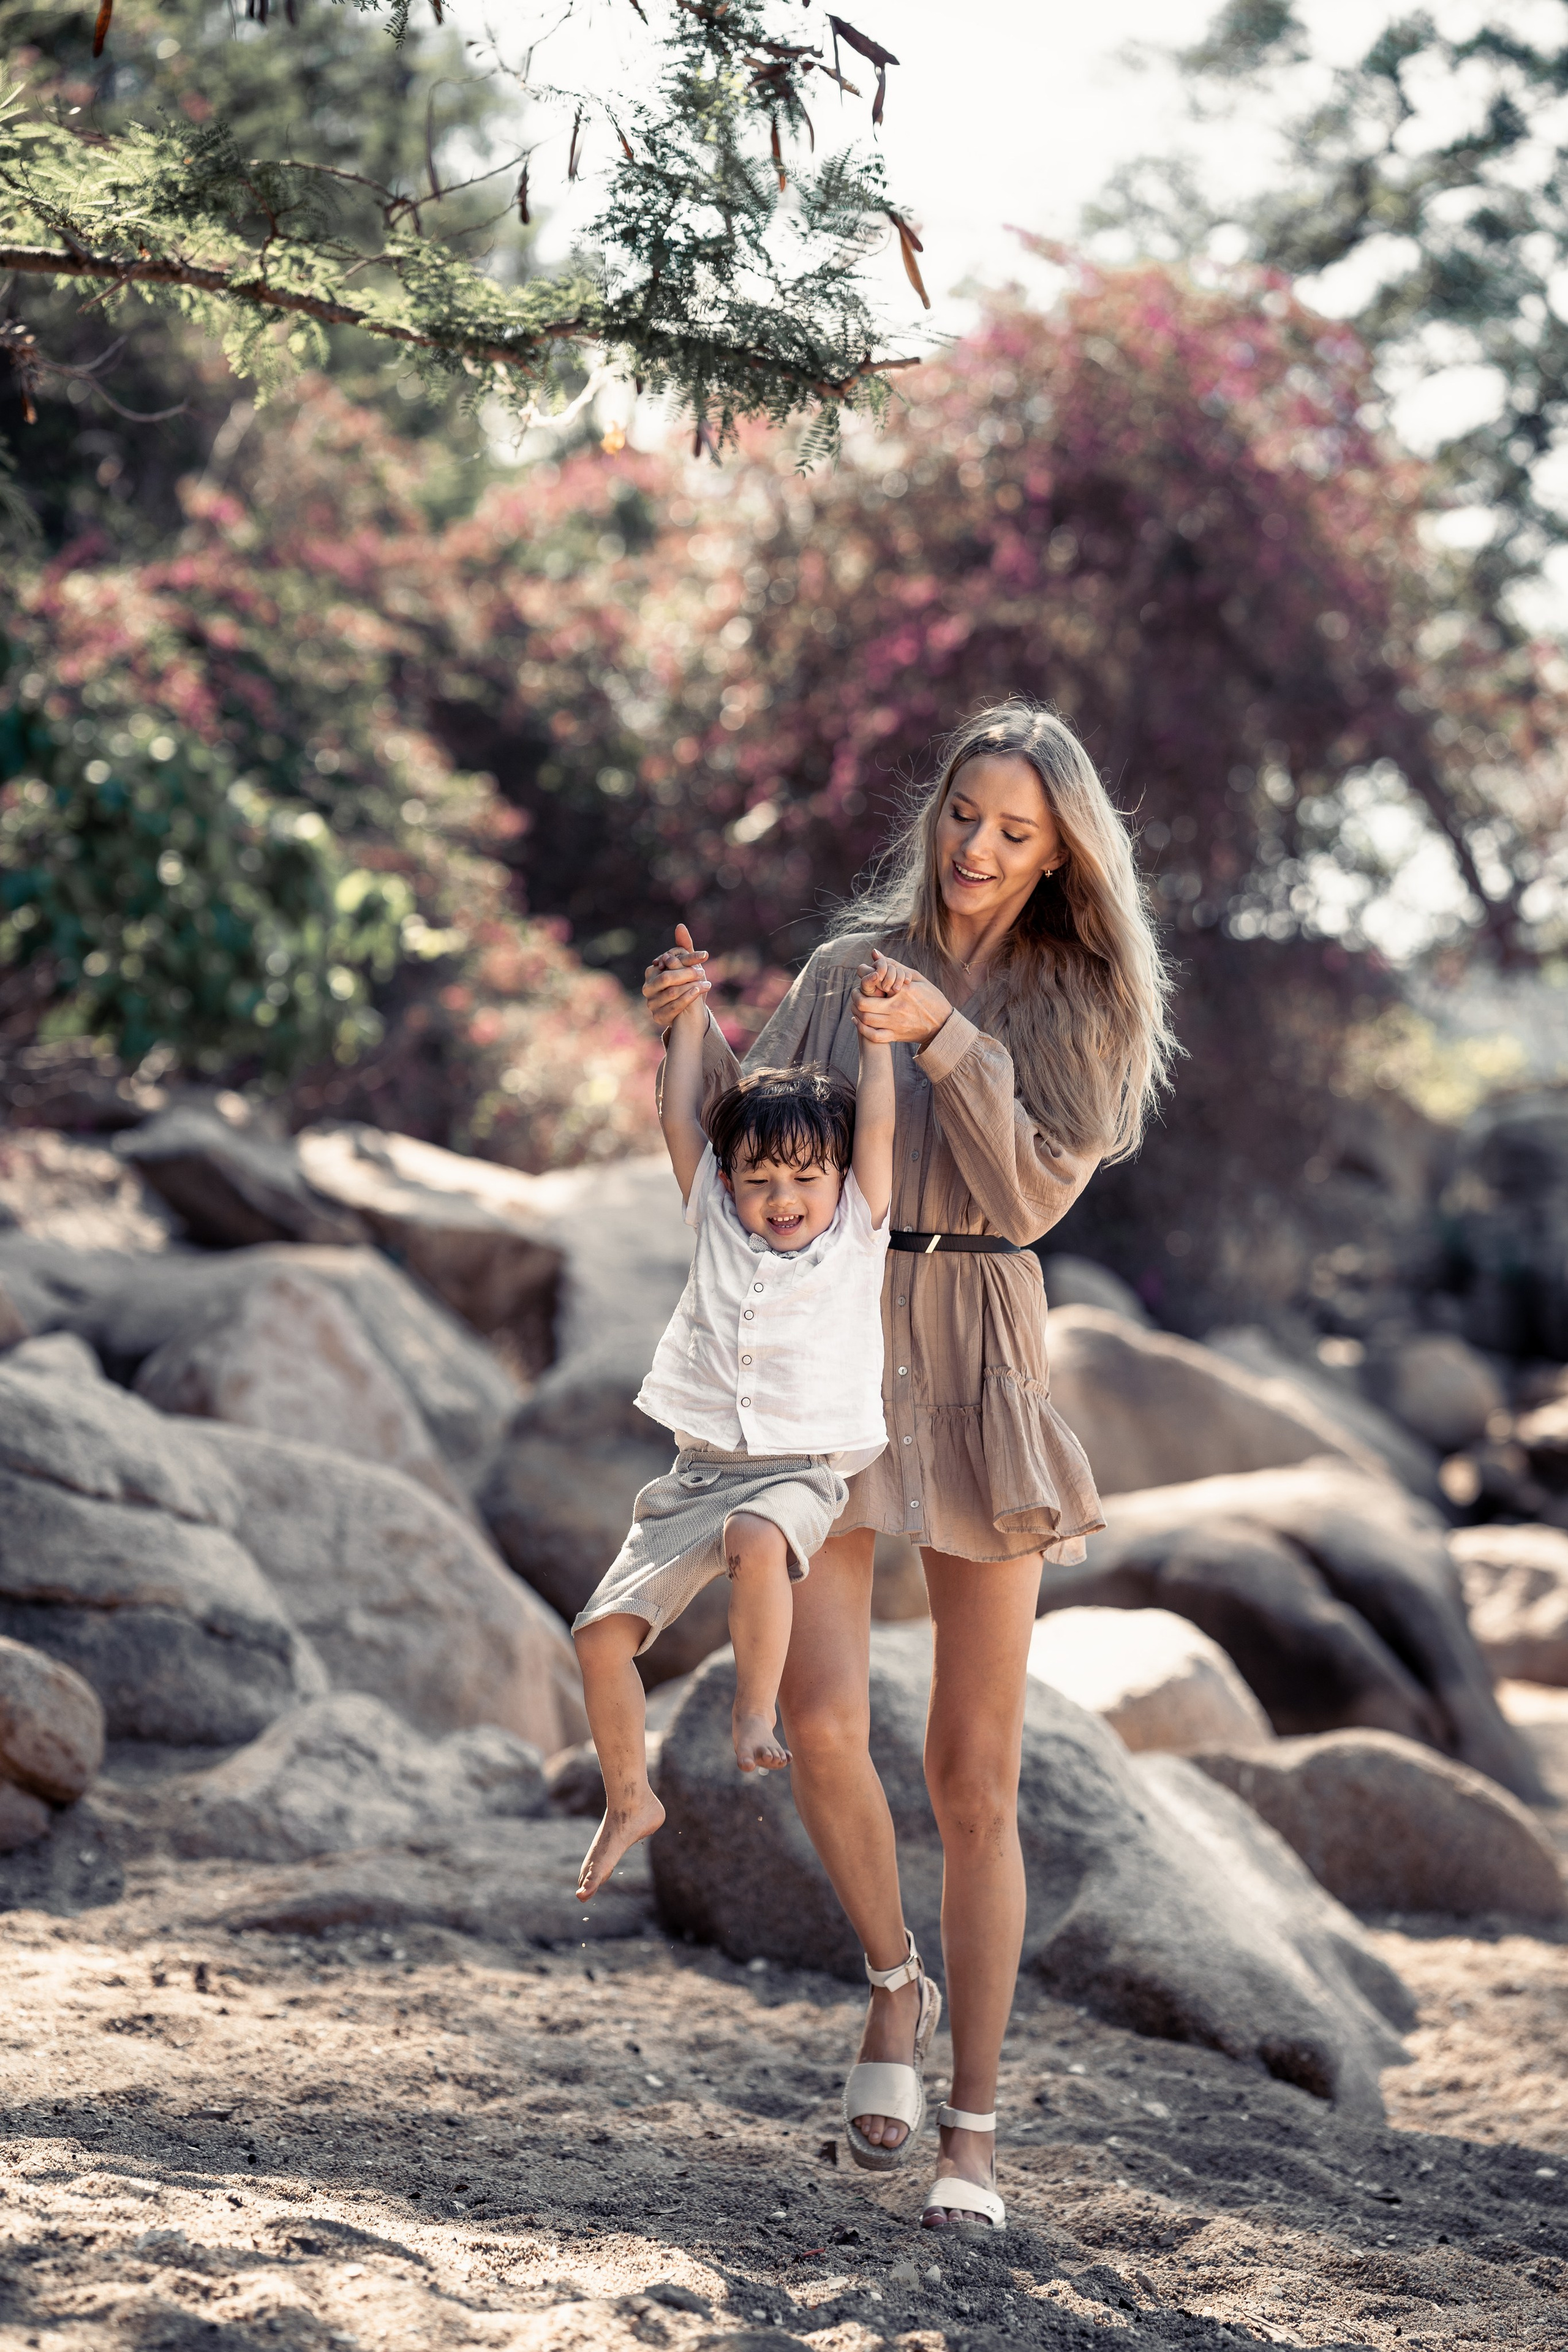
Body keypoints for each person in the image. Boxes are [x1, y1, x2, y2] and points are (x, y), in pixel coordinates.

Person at [641, 701, 1174, 2233]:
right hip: (833, 1350)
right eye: (961, 815)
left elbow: (1036, 1188)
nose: (975, 850)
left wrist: (941, 1035)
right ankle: (893, 1981)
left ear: (1059, 850)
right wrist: (689, 1034)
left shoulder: (1083, 995)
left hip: (982, 1351)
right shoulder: (841, 968)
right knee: (815, 1722)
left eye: (1013, 832)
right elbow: (754, 1155)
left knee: (971, 1775)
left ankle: (972, 2139)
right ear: (933, 810)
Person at [571, 947, 911, 1907]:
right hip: (696, 1475)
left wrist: (878, 1042)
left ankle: (755, 1714)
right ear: (729, 1184)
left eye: (805, 1177)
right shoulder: (717, 1219)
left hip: (799, 1471)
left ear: (839, 1180)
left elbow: (878, 1126)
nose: (783, 1198)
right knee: (598, 1638)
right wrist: (687, 1018)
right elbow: (681, 1118)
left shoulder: (857, 1234)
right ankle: (629, 1800)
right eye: (760, 1179)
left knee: (760, 1539)